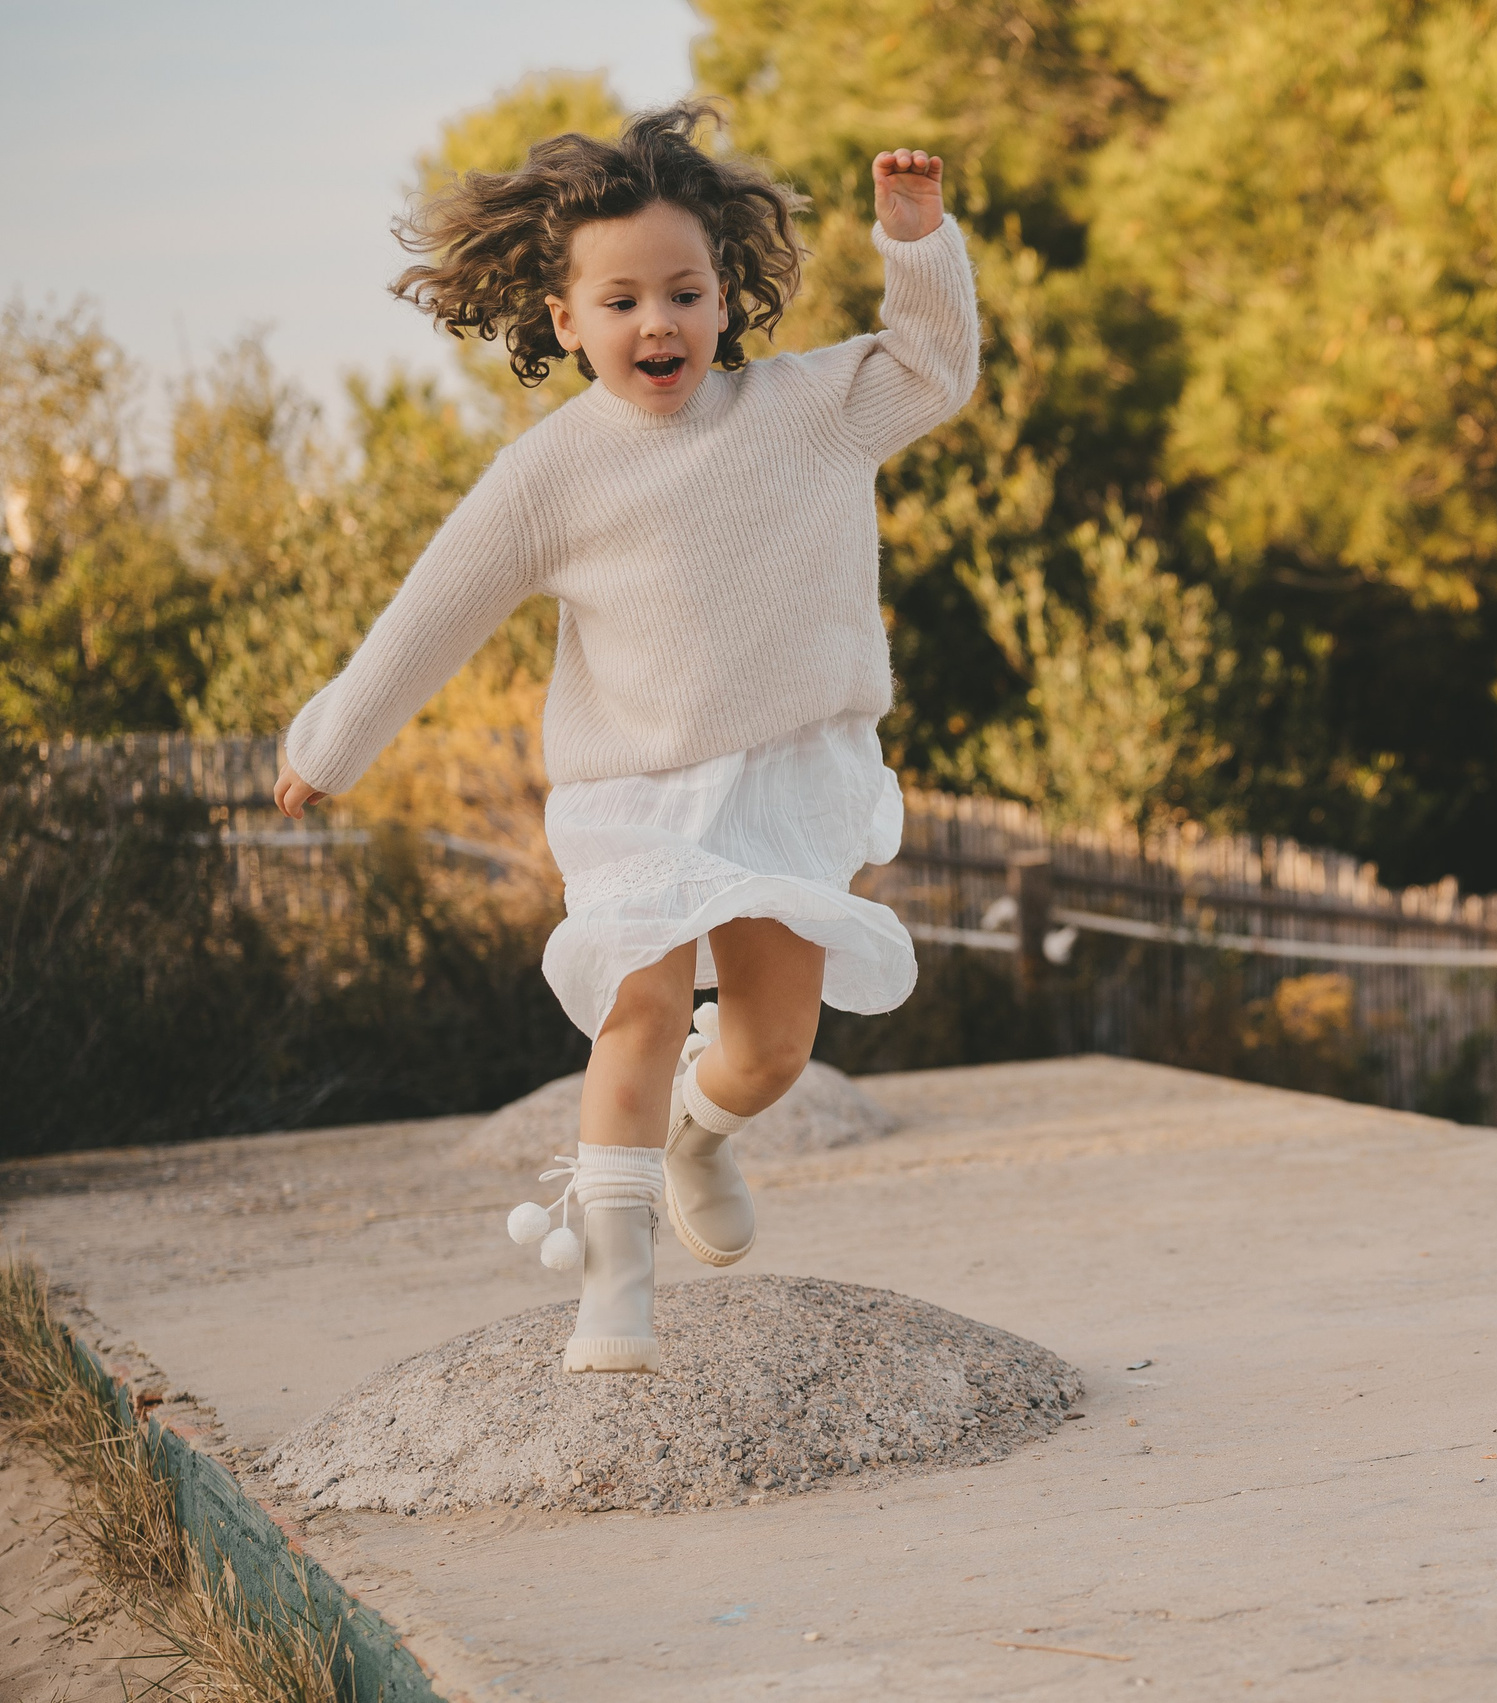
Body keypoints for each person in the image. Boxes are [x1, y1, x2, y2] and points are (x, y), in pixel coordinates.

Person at [272, 103, 977, 1373]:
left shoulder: (812, 409)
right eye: (620, 301)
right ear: (564, 319)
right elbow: (431, 615)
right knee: (643, 1006)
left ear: (725, 297)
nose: (657, 322)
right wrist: (332, 741)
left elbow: (936, 370)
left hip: (787, 775)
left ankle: (702, 1134)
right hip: (635, 797)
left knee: (768, 1052)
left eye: (685, 292)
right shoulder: (550, 475)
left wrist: (914, 241)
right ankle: (614, 1282)